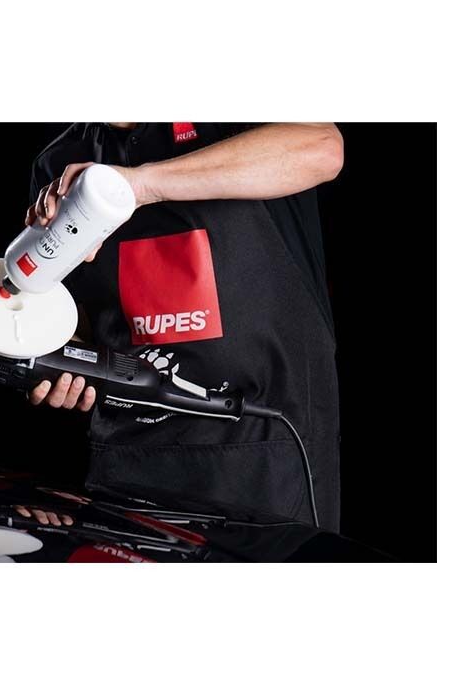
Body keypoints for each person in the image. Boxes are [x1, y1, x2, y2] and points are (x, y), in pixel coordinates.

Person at [25, 123, 344, 531]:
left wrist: (138, 185)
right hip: (126, 461)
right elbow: (82, 317)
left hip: (268, 454)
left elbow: (322, 148)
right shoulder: (58, 163)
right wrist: (63, 360)